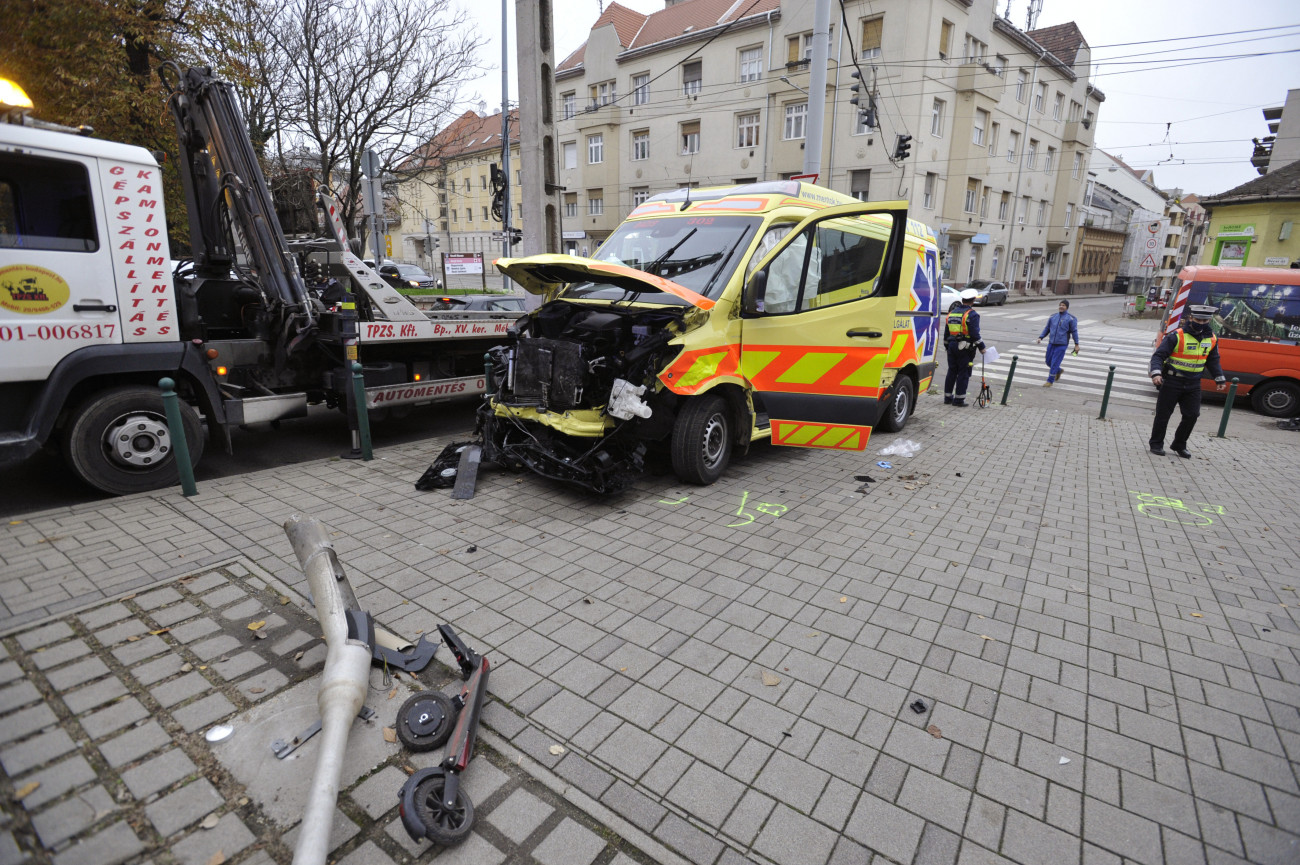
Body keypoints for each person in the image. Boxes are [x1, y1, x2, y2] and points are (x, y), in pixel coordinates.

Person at [1148, 304, 1227, 457]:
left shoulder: (1212, 338)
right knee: (1163, 415)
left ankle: (1179, 444)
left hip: (1193, 384)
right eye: (1198, 319)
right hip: (1172, 381)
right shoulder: (1177, 335)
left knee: (1192, 415)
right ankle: (1156, 444)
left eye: (1205, 321)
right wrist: (1156, 374)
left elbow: (1213, 359)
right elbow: (1158, 356)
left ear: (1209, 320)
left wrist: (1219, 378)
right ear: (1191, 318)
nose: (1201, 323)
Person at [944, 288, 985, 406]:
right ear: (972, 301)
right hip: (965, 348)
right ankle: (958, 400)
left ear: (962, 300)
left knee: (951, 371)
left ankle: (947, 398)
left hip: (951, 346)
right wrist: (982, 347)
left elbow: (947, 333)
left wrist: (947, 347)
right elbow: (975, 333)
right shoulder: (972, 314)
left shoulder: (952, 313)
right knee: (963, 373)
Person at [1037, 300, 1080, 386]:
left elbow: (1074, 332)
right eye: (1060, 305)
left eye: (1063, 305)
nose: (1061, 306)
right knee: (1048, 361)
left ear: (1067, 307)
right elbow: (1047, 328)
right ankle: (1059, 370)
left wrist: (1076, 344)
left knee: (1055, 362)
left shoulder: (1071, 319)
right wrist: (1040, 337)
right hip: (1051, 343)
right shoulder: (1053, 317)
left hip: (1062, 344)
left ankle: (1050, 381)